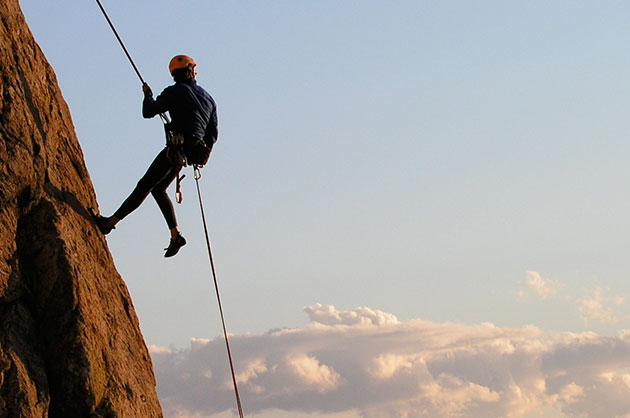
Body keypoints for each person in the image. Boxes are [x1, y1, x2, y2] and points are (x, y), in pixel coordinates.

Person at [94, 55, 218, 257]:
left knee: (145, 185)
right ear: (191, 71)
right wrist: (202, 154)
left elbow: (148, 111)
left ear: (174, 74)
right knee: (158, 189)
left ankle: (109, 223)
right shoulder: (209, 99)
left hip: (176, 150)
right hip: (191, 152)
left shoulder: (175, 91)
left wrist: (147, 94)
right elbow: (212, 135)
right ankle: (175, 234)